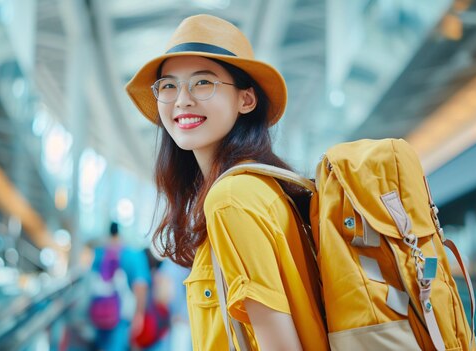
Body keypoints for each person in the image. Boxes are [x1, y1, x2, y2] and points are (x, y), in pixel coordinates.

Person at [126, 14, 328, 351]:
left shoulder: (232, 198)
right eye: (169, 85)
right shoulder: (261, 188)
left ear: (246, 99)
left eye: (203, 82)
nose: (182, 99)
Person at [89, 222, 150, 351]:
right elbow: (140, 286)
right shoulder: (133, 255)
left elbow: (90, 282)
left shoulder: (99, 253)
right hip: (121, 315)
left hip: (98, 313)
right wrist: (139, 315)